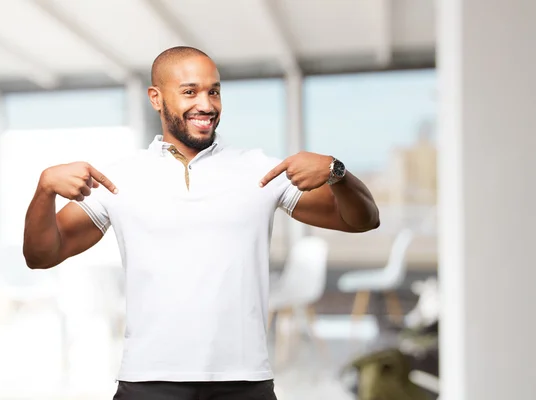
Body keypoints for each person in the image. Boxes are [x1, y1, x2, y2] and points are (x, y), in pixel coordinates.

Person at [23, 46, 380, 400]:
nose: (206, 105)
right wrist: (44, 191)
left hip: (245, 382)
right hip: (148, 381)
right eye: (190, 92)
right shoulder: (118, 178)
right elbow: (41, 255)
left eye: (214, 91)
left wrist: (337, 172)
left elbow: (362, 219)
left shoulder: (261, 170)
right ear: (156, 98)